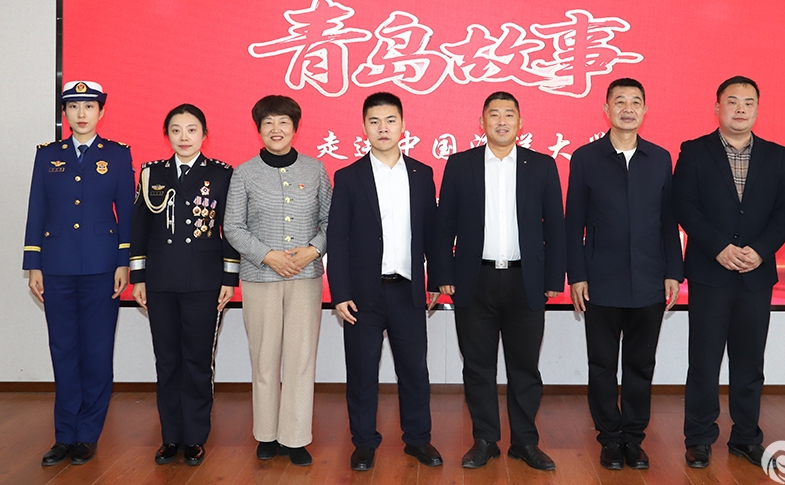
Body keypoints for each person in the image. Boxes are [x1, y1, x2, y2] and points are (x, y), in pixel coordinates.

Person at [433, 91, 566, 471]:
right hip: (475, 280)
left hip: (527, 281)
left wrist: (554, 277)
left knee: (525, 368)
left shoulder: (542, 166)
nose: (502, 121)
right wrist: (442, 274)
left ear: (520, 123)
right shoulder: (461, 164)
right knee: (478, 366)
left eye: (509, 114)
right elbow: (444, 224)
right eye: (494, 114)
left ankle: (525, 442)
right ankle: (485, 440)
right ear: (482, 122)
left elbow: (555, 226)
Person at [672, 76, 785, 469]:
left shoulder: (777, 155)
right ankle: (699, 438)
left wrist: (759, 251)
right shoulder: (694, 151)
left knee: (750, 363)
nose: (740, 109)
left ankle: (746, 437)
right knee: (704, 362)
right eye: (732, 101)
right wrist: (719, 248)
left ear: (757, 108)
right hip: (711, 272)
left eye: (748, 102)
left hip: (756, 275)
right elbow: (684, 205)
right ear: (717, 108)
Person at [565, 78, 683, 471]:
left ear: (645, 110)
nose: (627, 109)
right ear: (606, 109)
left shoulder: (660, 158)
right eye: (620, 101)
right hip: (600, 280)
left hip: (649, 279)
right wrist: (577, 274)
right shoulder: (586, 158)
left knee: (640, 365)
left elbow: (668, 221)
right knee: (601, 365)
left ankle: (633, 438)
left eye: (635, 102)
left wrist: (673, 271)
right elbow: (573, 222)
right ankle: (609, 439)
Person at [327, 92, 443, 471]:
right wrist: (340, 293)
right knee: (362, 372)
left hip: (408, 290)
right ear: (364, 127)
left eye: (390, 120)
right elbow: (337, 239)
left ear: (403, 125)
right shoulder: (348, 177)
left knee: (415, 370)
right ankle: (363, 442)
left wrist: (436, 281)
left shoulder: (422, 174)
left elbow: (431, 233)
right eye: (374, 121)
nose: (383, 128)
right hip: (363, 295)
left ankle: (418, 439)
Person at [23, 80, 134, 466]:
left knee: (98, 351)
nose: (81, 113)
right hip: (56, 266)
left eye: (89, 106)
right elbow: (37, 208)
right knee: (63, 350)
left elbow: (127, 212)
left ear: (101, 112)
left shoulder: (117, 155)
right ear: (65, 113)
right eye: (73, 106)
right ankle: (64, 435)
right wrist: (33, 264)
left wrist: (124, 262)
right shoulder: (47, 155)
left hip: (103, 267)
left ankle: (88, 434)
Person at [129, 104, 240, 466]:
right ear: (167, 135)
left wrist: (229, 278)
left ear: (204, 135)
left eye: (191, 130)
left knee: (197, 361)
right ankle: (170, 437)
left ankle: (194, 437)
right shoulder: (152, 173)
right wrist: (138, 277)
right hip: (160, 280)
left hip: (203, 281)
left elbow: (229, 230)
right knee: (167, 361)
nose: (184, 137)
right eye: (176, 130)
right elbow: (139, 228)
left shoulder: (221, 174)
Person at [224, 95, 332, 466]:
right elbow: (233, 226)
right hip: (260, 276)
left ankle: (295, 437)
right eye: (268, 122)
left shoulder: (315, 169)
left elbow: (331, 221)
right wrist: (267, 255)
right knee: (264, 358)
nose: (276, 129)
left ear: (294, 127)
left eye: (283, 122)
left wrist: (313, 250)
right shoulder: (244, 173)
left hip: (305, 277)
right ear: (258, 128)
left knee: (301, 359)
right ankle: (267, 434)